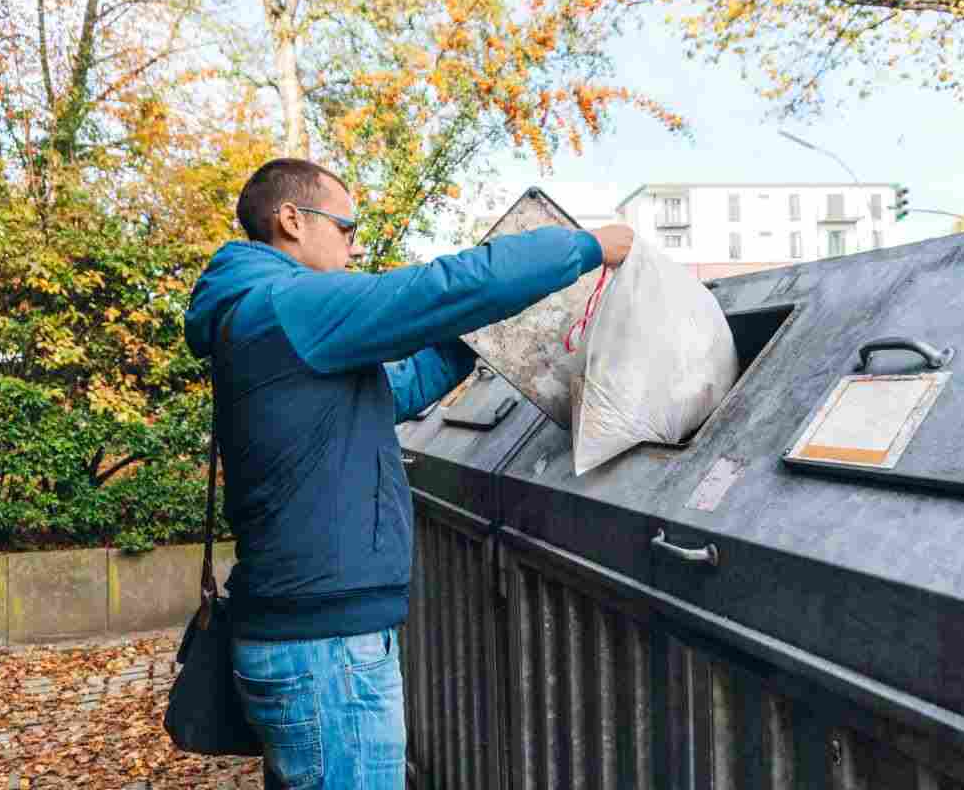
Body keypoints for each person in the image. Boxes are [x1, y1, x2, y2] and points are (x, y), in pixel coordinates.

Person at [184, 158, 633, 790]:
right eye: (346, 227)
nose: (353, 244)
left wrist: (472, 332)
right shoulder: (287, 304)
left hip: (311, 637)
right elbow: (437, 288)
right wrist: (586, 248)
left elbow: (399, 387)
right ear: (291, 220)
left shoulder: (264, 318)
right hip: (326, 652)